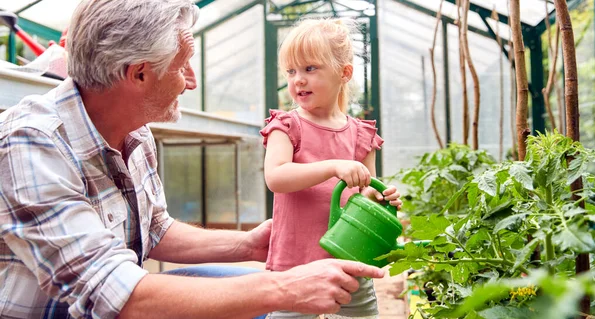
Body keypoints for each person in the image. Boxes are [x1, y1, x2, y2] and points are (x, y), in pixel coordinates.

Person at [0, 1, 384, 318]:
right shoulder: (32, 143)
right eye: (183, 63)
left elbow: (153, 230)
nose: (192, 80)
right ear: (139, 74)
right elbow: (115, 295)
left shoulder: (134, 131)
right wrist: (281, 286)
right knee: (263, 298)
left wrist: (249, 245)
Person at [260, 19, 403, 319]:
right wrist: (333, 167)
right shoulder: (286, 127)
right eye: (291, 71)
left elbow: (365, 190)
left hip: (349, 255)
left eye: (310, 69)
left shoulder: (360, 134)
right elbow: (276, 177)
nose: (298, 79)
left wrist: (381, 198)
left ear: (344, 73)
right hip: (296, 263)